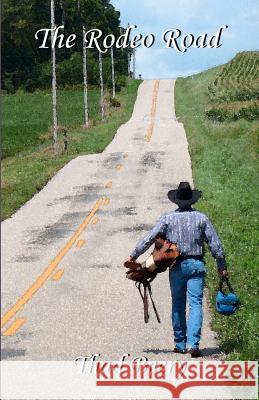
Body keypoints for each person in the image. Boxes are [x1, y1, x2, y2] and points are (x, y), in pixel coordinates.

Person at [126, 181, 228, 358]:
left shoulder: (168, 219)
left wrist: (134, 255)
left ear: (177, 201)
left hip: (176, 266)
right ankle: (193, 344)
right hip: (196, 265)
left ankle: (179, 343)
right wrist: (221, 265)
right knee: (195, 303)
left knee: (178, 303)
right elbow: (215, 244)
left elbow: (150, 237)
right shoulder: (202, 218)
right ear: (192, 199)